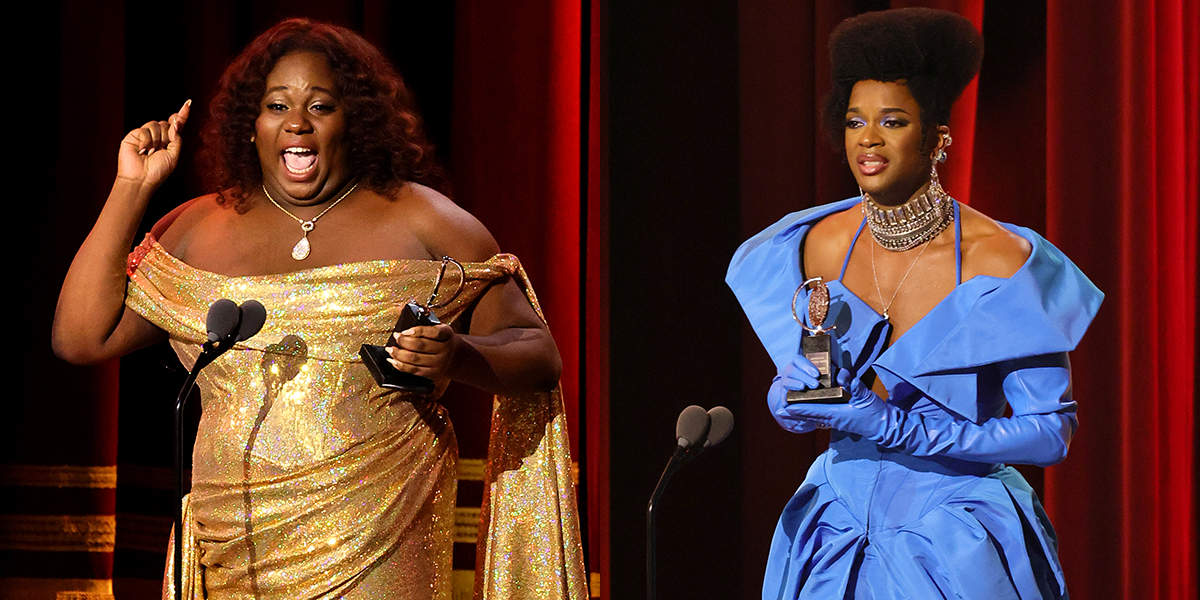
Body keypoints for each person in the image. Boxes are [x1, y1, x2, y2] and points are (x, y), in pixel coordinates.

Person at [53, 19, 587, 599]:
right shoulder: (193, 228)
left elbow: (537, 354)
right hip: (234, 555)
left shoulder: (424, 222)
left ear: (355, 120)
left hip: (376, 546)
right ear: (250, 126)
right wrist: (132, 187)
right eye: (276, 105)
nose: (297, 123)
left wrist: (460, 355)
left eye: (321, 106)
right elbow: (81, 337)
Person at [726, 8, 1102, 600]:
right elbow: (813, 372)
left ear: (935, 137)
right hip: (834, 532)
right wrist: (791, 397)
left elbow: (1051, 434)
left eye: (892, 121)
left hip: (955, 539)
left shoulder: (1000, 261)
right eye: (854, 122)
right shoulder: (816, 243)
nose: (868, 139)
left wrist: (906, 429)